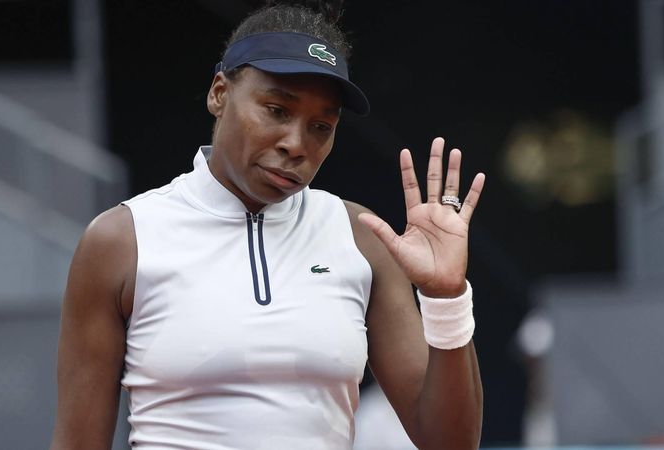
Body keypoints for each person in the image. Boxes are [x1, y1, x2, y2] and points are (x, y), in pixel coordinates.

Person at [50, 1, 484, 448]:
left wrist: (445, 296)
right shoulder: (123, 239)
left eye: (321, 126)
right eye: (277, 110)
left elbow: (450, 443)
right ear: (219, 93)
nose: (296, 144)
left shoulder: (361, 235)